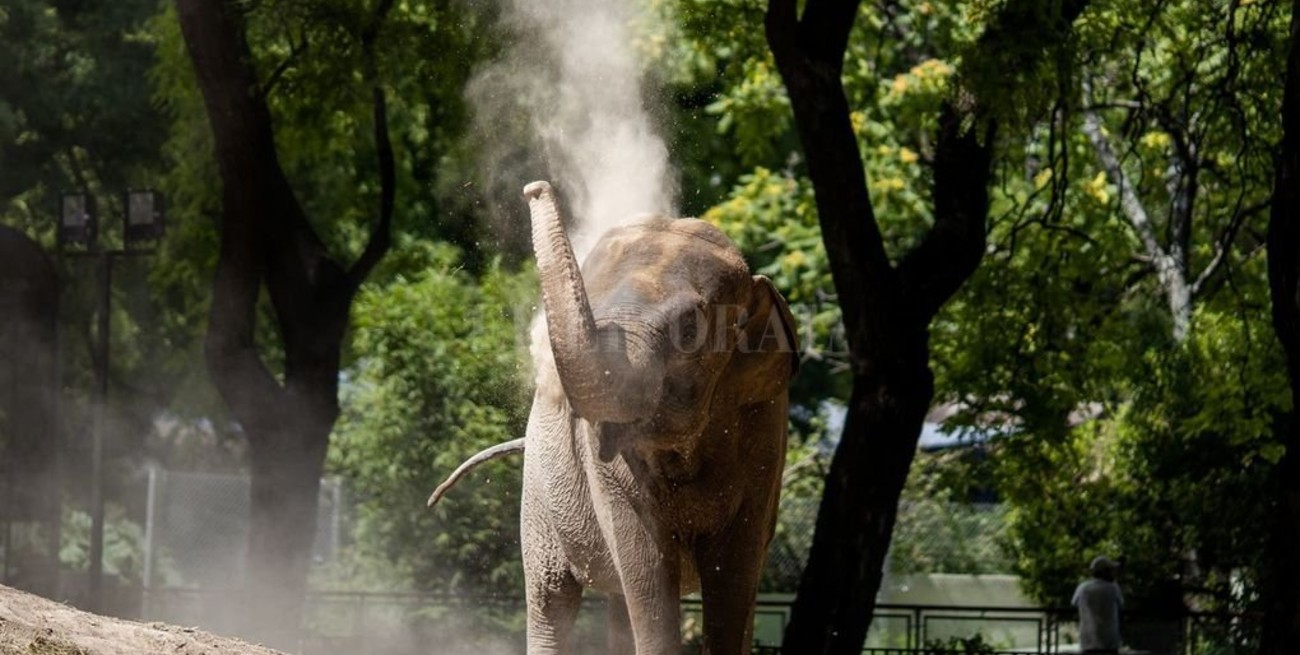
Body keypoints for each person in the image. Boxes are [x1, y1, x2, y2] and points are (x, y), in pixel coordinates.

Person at [1072, 556, 1124, 654]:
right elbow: (1121, 603)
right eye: (1111, 570)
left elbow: (1074, 603)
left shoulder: (1082, 587)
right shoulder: (1113, 588)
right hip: (1109, 643)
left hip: (1088, 643)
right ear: (1105, 572)